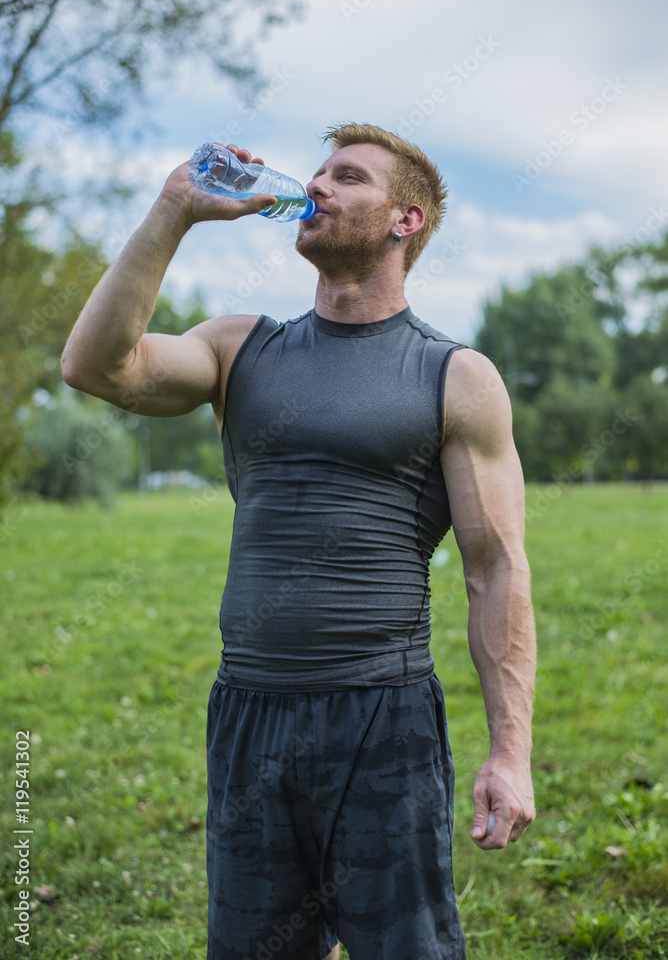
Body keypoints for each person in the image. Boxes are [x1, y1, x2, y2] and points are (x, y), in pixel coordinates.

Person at [61, 122, 536, 960]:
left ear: (406, 220)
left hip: (382, 718)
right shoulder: (240, 347)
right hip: (248, 711)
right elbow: (97, 367)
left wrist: (511, 751)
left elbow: (495, 568)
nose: (315, 185)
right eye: (316, 172)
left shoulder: (455, 374)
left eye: (347, 177)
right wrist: (174, 208)